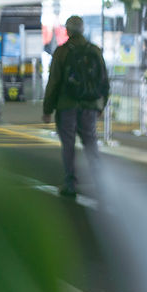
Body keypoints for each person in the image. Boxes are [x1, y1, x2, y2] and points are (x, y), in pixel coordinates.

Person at [42, 15, 109, 198]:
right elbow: (104, 79)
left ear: (68, 31)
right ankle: (101, 185)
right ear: (83, 29)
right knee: (91, 144)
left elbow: (54, 82)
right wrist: (102, 104)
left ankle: (70, 183)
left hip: (67, 106)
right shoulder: (95, 50)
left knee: (68, 145)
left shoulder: (62, 52)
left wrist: (47, 109)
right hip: (90, 105)